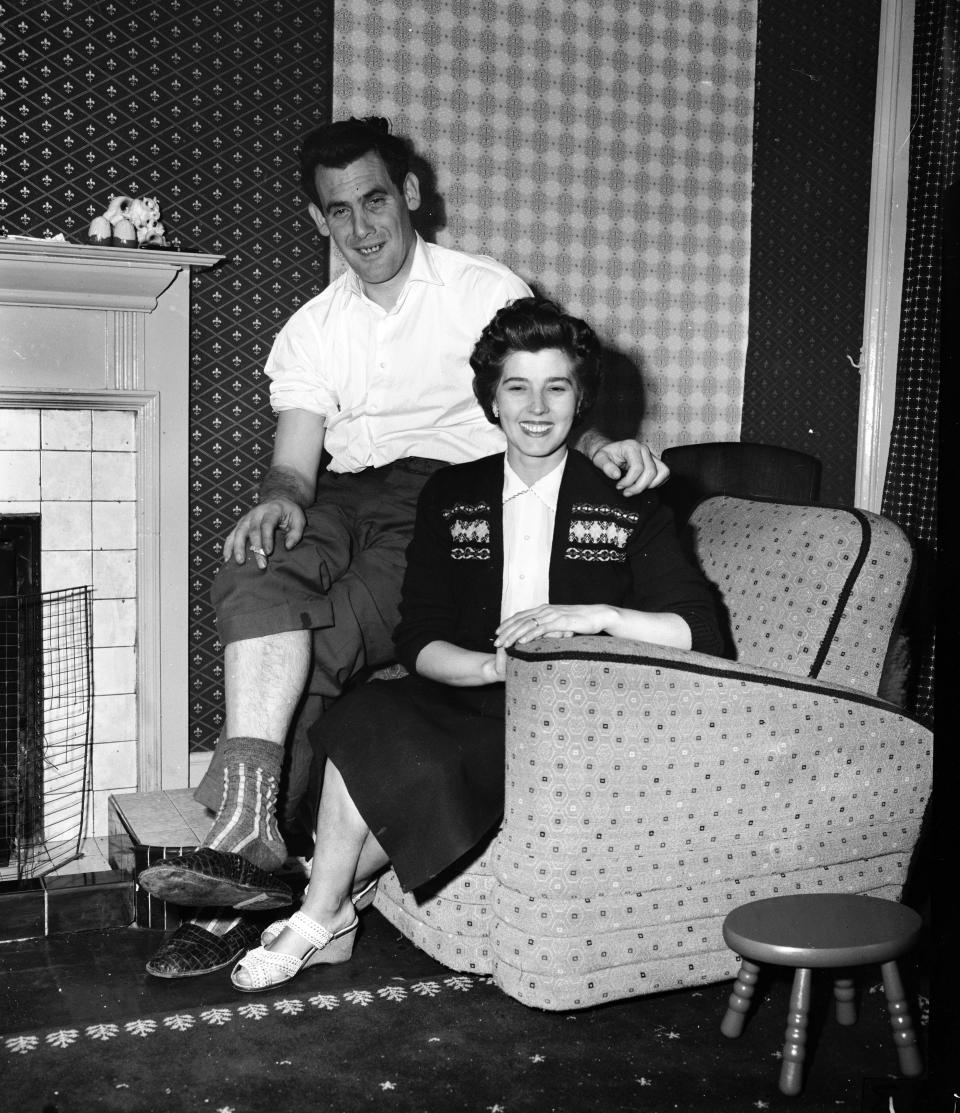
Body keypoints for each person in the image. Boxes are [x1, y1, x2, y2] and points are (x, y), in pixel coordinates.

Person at [139, 118, 669, 978]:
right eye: (339, 211)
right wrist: (277, 502)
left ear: (410, 195)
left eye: (375, 200)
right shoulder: (313, 327)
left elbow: (540, 377)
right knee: (253, 567)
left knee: (323, 642)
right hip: (342, 493)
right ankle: (249, 834)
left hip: (443, 495)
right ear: (319, 221)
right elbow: (295, 464)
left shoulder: (479, 287)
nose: (362, 227)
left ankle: (250, 862)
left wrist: (598, 446)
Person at [226, 295, 723, 992]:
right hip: (474, 684)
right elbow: (418, 634)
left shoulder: (626, 497)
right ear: (491, 399)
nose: (537, 407)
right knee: (363, 716)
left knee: (415, 756)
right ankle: (329, 913)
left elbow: (703, 632)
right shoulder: (450, 493)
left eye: (557, 386)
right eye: (517, 386)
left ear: (581, 400)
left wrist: (596, 614)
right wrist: (490, 667)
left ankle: (316, 914)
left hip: (571, 710)